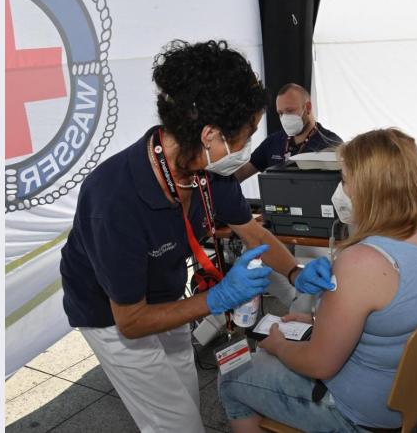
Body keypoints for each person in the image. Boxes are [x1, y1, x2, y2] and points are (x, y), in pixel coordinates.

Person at [59, 40, 333, 433]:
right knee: (175, 422)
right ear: (211, 136)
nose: (248, 146)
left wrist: (294, 274)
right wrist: (216, 299)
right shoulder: (114, 198)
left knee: (185, 386)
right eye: (248, 134)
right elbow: (132, 321)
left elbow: (252, 231)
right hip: (112, 314)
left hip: (165, 292)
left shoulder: (208, 169)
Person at [219, 128, 417, 432]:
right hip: (410, 393)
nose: (340, 189)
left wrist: (279, 345)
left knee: (231, 375)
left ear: (371, 190)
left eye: (345, 180)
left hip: (358, 411)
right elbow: (391, 316)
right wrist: (315, 322)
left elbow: (320, 364)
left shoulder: (362, 261)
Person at [233, 83, 343, 182]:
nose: (284, 117)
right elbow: (241, 172)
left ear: (308, 107)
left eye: (290, 111)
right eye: (280, 113)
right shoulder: (273, 142)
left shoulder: (331, 144)